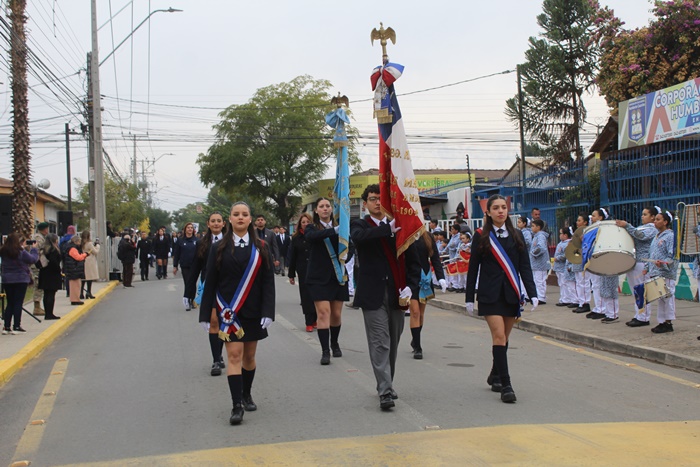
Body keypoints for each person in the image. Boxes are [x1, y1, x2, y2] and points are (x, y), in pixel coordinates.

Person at [200, 202, 275, 425]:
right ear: (229, 220)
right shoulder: (219, 247)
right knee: (233, 356)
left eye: (244, 214)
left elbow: (268, 282)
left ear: (250, 219)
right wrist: (205, 313)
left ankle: (246, 394)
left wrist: (268, 311)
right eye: (236, 214)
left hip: (253, 311)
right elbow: (210, 281)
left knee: (249, 358)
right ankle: (236, 406)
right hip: (229, 314)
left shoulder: (261, 246)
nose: (240, 218)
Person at [350, 184, 420, 410]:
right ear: (365, 204)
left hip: (397, 293)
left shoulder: (401, 226)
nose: (377, 202)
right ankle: (385, 390)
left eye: (381, 198)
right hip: (372, 294)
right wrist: (387, 229)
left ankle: (387, 381)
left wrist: (411, 286)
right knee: (380, 342)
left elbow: (413, 261)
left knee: (393, 341)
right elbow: (360, 238)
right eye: (372, 199)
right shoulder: (360, 224)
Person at [465, 194, 537, 403]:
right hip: (489, 295)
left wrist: (533, 293)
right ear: (488, 212)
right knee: (498, 337)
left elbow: (524, 266)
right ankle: (507, 385)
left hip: (511, 294)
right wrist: (470, 297)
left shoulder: (517, 235)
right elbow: (473, 268)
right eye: (495, 208)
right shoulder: (481, 235)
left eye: (503, 207)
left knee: (504, 339)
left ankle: (494, 373)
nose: (500, 211)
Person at [304, 197, 349, 365]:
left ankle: (334, 342)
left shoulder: (342, 229)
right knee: (323, 313)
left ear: (332, 209)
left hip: (337, 276)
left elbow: (348, 247)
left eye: (327, 206)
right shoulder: (311, 228)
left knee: (336, 314)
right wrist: (334, 231)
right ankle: (325, 351)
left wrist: (346, 254)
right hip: (318, 277)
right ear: (316, 210)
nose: (325, 209)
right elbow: (312, 237)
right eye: (321, 206)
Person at [188, 211, 226, 376]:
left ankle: (220, 353)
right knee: (213, 321)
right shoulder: (201, 243)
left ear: (224, 223)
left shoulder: (230, 241)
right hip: (209, 287)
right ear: (208, 224)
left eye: (219, 221)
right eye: (213, 221)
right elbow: (195, 268)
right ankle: (216, 360)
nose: (216, 223)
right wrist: (188, 292)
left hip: (227, 288)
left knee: (225, 321)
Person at [616, 206, 660, 327]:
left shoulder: (652, 228)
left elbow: (640, 236)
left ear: (653, 217)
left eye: (645, 214)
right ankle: (639, 315)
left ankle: (644, 317)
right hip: (635, 261)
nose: (642, 216)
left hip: (643, 263)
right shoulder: (641, 227)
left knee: (642, 291)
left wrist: (627, 225)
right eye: (642, 214)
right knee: (636, 291)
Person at [408, 231, 447, 360]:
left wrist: (441, 277)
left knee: (421, 313)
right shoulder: (405, 233)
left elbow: (435, 257)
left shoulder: (427, 236)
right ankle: (418, 347)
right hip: (409, 278)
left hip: (424, 277)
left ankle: (415, 339)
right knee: (414, 312)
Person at [644, 211, 678, 334]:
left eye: (658, 219)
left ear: (665, 222)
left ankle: (668, 322)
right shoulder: (657, 236)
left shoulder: (670, 236)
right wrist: (647, 267)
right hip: (656, 272)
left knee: (668, 297)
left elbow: (672, 255)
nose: (655, 221)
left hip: (666, 272)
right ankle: (662, 321)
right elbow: (651, 254)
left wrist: (664, 263)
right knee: (661, 298)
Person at [1, 233, 39, 333]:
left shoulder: (3, 251)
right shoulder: (21, 252)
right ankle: (16, 326)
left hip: (7, 279)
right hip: (20, 279)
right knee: (18, 303)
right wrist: (34, 249)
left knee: (10, 303)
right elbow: (33, 259)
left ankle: (6, 326)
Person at [288, 213, 317, 332]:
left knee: (316, 296)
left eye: (307, 222)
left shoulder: (316, 235)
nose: (305, 224)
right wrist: (291, 274)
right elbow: (292, 257)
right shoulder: (296, 238)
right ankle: (309, 321)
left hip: (316, 270)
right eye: (303, 222)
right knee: (306, 297)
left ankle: (315, 318)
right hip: (303, 270)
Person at [584, 209, 608, 320]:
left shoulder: (602, 228)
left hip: (598, 258)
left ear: (601, 217)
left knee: (598, 285)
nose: (591, 217)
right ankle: (598, 307)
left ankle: (602, 309)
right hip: (592, 258)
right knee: (594, 285)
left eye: (594, 216)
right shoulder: (593, 228)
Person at [173, 222, 198, 311]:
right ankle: (186, 300)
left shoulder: (197, 240)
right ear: (185, 229)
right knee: (187, 282)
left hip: (195, 265)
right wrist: (175, 266)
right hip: (185, 265)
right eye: (188, 228)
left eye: (191, 228)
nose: (190, 229)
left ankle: (192, 300)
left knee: (193, 283)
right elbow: (176, 254)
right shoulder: (180, 240)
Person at [37, 233, 63, 320]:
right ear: (55, 240)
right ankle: (50, 313)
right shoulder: (53, 250)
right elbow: (54, 262)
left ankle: (47, 313)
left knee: (46, 294)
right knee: (51, 294)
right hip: (52, 275)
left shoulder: (43, 250)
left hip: (44, 274)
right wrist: (59, 270)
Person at [571, 213, 591, 313]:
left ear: (585, 222)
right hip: (577, 260)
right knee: (579, 282)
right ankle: (581, 301)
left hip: (584, 260)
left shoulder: (588, 231)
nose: (577, 222)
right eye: (577, 220)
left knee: (584, 282)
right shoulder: (577, 232)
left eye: (579, 220)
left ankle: (585, 303)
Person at [553, 227, 576, 307]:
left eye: (561, 233)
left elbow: (566, 255)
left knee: (565, 284)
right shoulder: (561, 243)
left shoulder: (567, 244)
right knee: (562, 284)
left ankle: (567, 299)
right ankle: (563, 298)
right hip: (558, 267)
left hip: (563, 268)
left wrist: (558, 258)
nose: (560, 235)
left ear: (565, 235)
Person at [31, 222, 50, 316]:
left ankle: (38, 306)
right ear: (43, 229)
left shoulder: (42, 237)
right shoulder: (38, 238)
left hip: (39, 264)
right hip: (37, 264)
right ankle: (37, 307)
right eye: (47, 228)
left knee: (40, 285)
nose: (48, 230)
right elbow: (41, 249)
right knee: (38, 285)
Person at [529, 219, 550, 305]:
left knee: (540, 280)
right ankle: (538, 296)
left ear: (538, 227)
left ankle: (541, 297)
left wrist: (533, 253)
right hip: (536, 264)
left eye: (533, 226)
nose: (532, 228)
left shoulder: (541, 236)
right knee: (536, 280)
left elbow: (541, 248)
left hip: (541, 263)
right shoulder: (536, 236)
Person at [64, 234, 88, 305]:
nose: (80, 243)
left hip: (73, 268)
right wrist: (85, 255)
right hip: (73, 269)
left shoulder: (71, 247)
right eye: (79, 241)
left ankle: (76, 298)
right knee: (75, 285)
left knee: (77, 284)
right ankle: (75, 299)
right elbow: (78, 257)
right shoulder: (72, 248)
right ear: (76, 241)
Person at [81, 230, 100, 299]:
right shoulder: (89, 244)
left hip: (83, 259)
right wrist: (97, 246)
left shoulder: (81, 243)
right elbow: (95, 252)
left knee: (83, 277)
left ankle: (81, 293)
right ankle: (88, 292)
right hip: (90, 261)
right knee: (90, 277)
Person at [445, 224, 462, 292]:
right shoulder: (452, 236)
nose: (451, 231)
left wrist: (449, 247)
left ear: (456, 230)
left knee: (457, 271)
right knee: (452, 270)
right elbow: (449, 245)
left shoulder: (458, 237)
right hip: (451, 255)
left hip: (456, 255)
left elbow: (454, 245)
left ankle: (458, 285)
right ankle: (455, 284)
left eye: (452, 229)